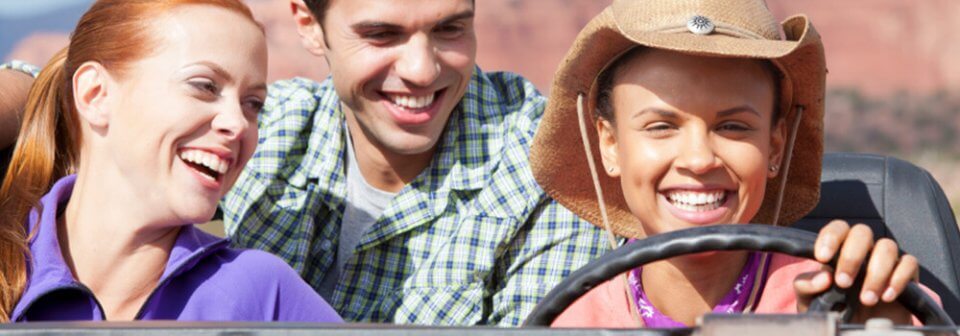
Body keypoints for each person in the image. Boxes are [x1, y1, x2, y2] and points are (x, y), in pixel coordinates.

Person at [0, 0, 608, 325]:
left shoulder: (548, 164)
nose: (423, 70)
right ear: (307, 24)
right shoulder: (282, 124)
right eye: (381, 34)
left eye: (452, 28)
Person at [529, 0, 930, 327]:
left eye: (733, 126)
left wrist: (881, 321)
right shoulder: (571, 318)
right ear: (611, 144)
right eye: (661, 126)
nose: (700, 159)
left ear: (774, 146)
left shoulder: (847, 301)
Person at [0, 0, 341, 322]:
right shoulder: (8, 263)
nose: (238, 124)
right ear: (95, 95)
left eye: (253, 104)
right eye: (204, 86)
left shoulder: (263, 294)